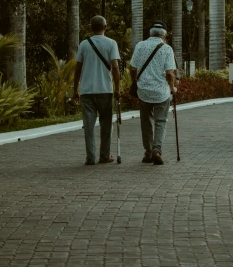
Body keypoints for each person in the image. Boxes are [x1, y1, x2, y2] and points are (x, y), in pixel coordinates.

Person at [72, 15, 121, 165]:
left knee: (89, 126)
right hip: (105, 90)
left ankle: (91, 157)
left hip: (87, 91)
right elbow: (115, 67)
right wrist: (118, 89)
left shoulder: (84, 44)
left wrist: (75, 90)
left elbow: (78, 69)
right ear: (105, 27)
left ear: (91, 28)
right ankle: (105, 155)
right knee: (106, 125)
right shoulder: (111, 43)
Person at [130, 21, 178, 165]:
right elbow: (170, 74)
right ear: (165, 35)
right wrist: (173, 88)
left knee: (145, 122)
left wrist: (135, 82)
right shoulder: (167, 49)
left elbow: (132, 68)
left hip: (143, 90)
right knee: (160, 122)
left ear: (149, 34)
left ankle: (148, 152)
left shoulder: (140, 46)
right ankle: (156, 150)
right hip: (161, 92)